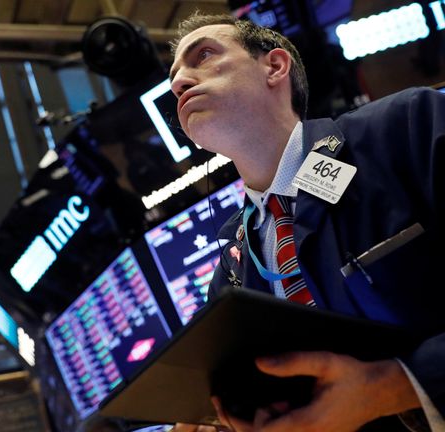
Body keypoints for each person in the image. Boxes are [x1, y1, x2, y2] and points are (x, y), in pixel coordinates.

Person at [168, 12, 445, 432]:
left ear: (275, 67)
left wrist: (396, 386)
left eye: (203, 55)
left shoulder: (406, 126)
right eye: (175, 75)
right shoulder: (233, 262)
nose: (178, 82)